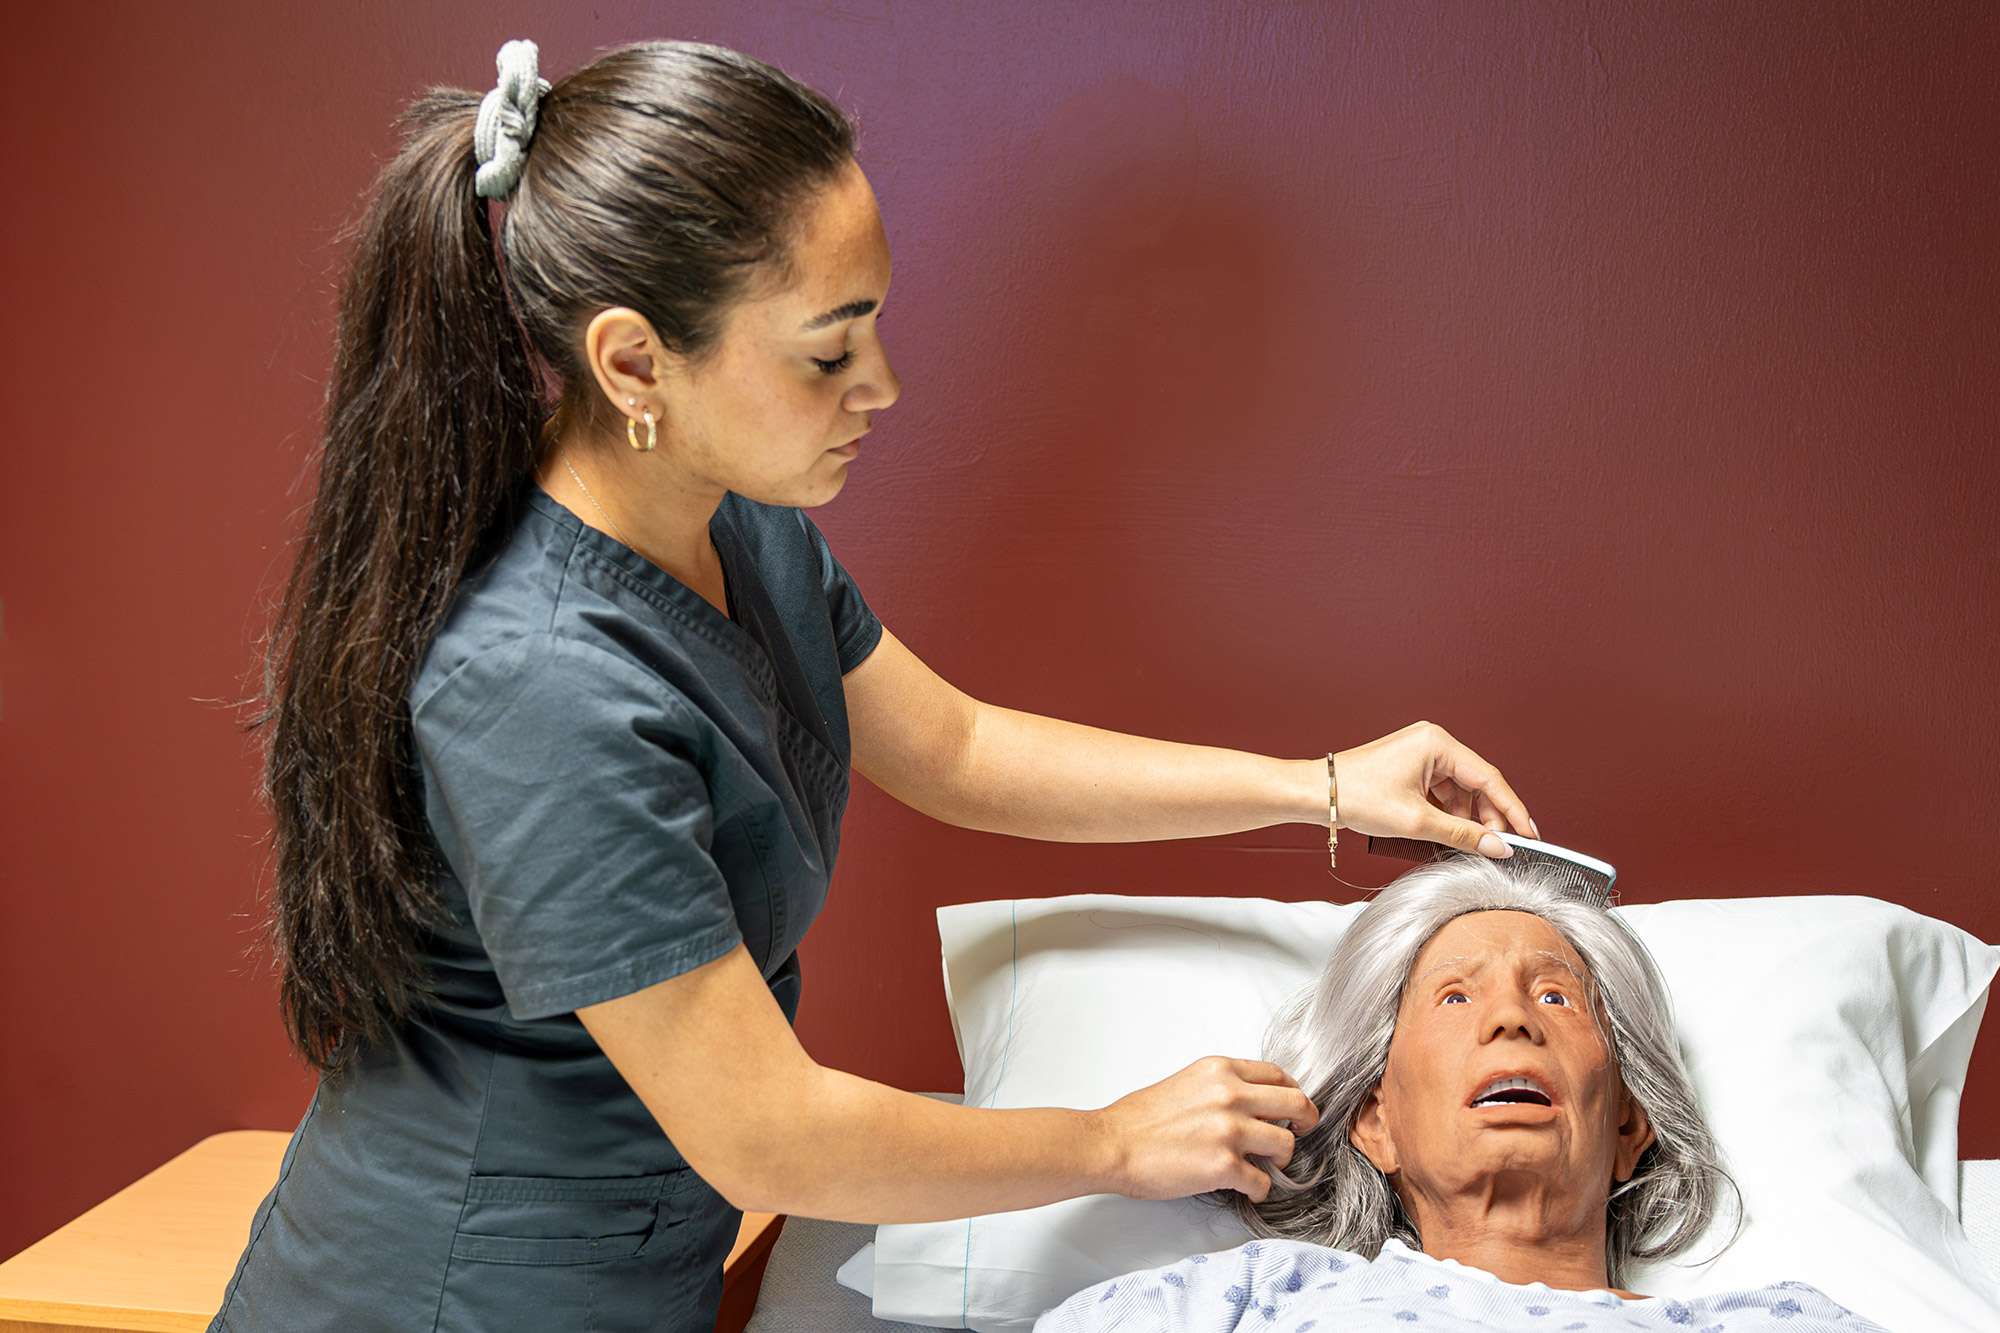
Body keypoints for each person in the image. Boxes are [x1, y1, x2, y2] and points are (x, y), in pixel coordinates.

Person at [211, 36, 1541, 1331]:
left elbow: (954, 746)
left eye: (876, 325)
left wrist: (1320, 786)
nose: (882, 386)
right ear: (634, 365)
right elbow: (766, 1138)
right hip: (443, 1295)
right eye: (828, 347)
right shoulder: (540, 686)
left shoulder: (735, 520)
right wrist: (1114, 1141)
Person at [1034, 855, 1891, 1330]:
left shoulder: (1777, 1321)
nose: (1512, 1019)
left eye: (1556, 995)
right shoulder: (1248, 1299)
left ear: (1631, 1125)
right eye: (1456, 996)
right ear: (1378, 1122)